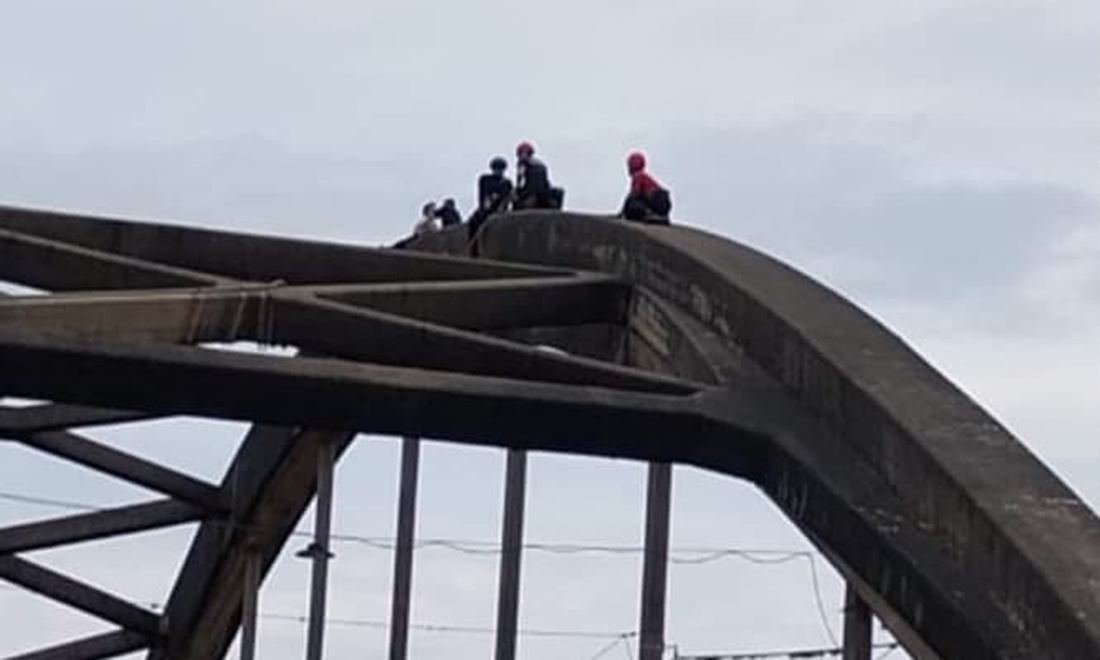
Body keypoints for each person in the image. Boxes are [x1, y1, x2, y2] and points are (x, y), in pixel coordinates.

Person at [467, 156, 514, 240]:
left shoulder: (507, 183)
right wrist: (484, 207)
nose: (498, 171)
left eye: (500, 169)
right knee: (473, 222)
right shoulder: (485, 179)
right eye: (496, 168)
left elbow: (508, 197)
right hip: (486, 208)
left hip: (500, 209)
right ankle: (473, 243)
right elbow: (482, 194)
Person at [619, 151, 671, 223]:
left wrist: (623, 211)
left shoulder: (638, 176)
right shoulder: (643, 176)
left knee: (631, 203)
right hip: (663, 203)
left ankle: (649, 214)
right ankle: (658, 216)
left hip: (656, 200)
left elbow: (634, 194)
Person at [514, 141, 564, 210]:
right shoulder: (539, 164)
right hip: (544, 193)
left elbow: (520, 182)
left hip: (533, 194)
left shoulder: (523, 164)